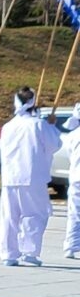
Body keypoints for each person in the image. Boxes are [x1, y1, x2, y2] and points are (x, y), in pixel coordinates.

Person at [0, 87, 61, 266]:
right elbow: (55, 144)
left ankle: (9, 254)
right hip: (32, 176)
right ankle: (30, 252)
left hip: (10, 177)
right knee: (35, 214)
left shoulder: (8, 126)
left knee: (10, 216)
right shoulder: (38, 124)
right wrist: (51, 126)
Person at [63, 103, 80, 260]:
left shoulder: (72, 135)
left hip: (76, 178)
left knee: (74, 213)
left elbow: (68, 155)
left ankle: (70, 246)